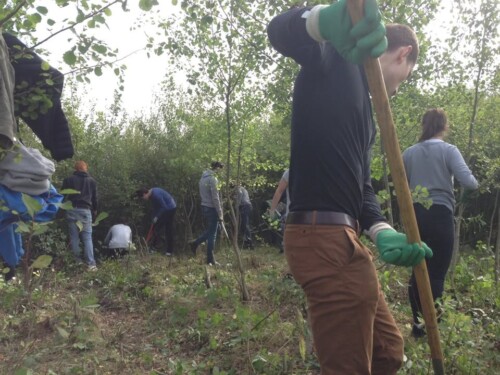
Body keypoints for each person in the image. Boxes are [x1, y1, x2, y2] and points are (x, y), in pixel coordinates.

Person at [267, 1, 433, 374]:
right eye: (404, 77)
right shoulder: (336, 59)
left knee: (388, 352)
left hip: (347, 240)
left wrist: (383, 231)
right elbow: (280, 30)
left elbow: (362, 190)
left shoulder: (369, 120)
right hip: (320, 237)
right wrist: (322, 20)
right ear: (403, 53)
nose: (398, 88)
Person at [403, 108, 478, 337]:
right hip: (440, 214)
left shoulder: (408, 153)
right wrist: (460, 194)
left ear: (423, 125)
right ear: (445, 126)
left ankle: (418, 326)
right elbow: (471, 183)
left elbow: (402, 185)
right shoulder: (449, 150)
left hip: (415, 215)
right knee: (436, 273)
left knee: (417, 269)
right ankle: (433, 328)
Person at [62, 160, 98, 271]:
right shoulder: (91, 181)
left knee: (74, 237)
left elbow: (63, 195)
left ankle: (77, 263)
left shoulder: (68, 180)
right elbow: (94, 198)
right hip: (85, 210)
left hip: (71, 209)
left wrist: (61, 207)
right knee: (87, 238)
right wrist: (95, 209)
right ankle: (91, 265)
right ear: (85, 168)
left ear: (76, 169)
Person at [190, 161, 224, 265]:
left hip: (204, 206)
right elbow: (215, 197)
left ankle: (195, 243)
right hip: (212, 208)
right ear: (217, 168)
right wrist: (220, 212)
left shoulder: (202, 178)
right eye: (220, 170)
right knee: (212, 234)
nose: (220, 172)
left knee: (213, 230)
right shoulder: (213, 179)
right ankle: (210, 260)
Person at [136, 187, 177, 256]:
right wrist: (154, 217)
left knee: (161, 229)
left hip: (170, 209)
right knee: (156, 228)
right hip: (166, 208)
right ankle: (161, 249)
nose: (143, 199)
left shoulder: (156, 195)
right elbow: (156, 207)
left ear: (144, 194)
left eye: (142, 198)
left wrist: (157, 217)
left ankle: (157, 248)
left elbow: (164, 207)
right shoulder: (151, 194)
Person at [269, 169, 290, 252]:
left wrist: (272, 210)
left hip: (291, 214)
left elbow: (279, 191)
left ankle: (283, 245)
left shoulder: (290, 172)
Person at [234, 183, 253, 249]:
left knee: (245, 225)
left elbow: (240, 194)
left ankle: (249, 242)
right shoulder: (243, 189)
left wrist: (237, 205)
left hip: (245, 206)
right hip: (247, 206)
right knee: (244, 225)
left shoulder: (239, 188)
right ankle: (246, 242)